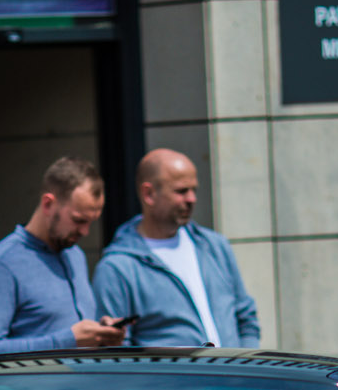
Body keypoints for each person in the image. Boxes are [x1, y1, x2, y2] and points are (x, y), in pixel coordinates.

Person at [93, 148, 259, 348]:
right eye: (181, 191)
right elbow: (118, 351)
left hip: (231, 369)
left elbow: (245, 316)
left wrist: (245, 362)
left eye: (194, 190)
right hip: (168, 371)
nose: (192, 199)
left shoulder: (214, 246)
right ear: (149, 194)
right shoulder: (117, 268)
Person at [0, 156, 125, 355]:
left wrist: (100, 334)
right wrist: (68, 340)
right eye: (78, 220)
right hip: (34, 378)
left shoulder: (75, 255)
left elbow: (69, 332)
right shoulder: (2, 262)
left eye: (91, 222)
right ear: (48, 204)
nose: (85, 231)